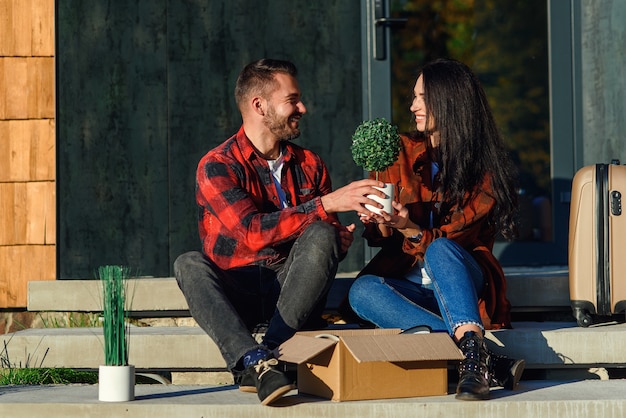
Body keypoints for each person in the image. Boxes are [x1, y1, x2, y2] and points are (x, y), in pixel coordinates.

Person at [174, 58, 385, 406]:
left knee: (322, 234)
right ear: (260, 105)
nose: (302, 108)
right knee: (188, 264)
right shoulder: (218, 165)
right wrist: (326, 206)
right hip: (237, 291)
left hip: (292, 294)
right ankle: (253, 359)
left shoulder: (310, 164)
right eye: (293, 100)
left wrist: (338, 238)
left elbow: (320, 235)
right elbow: (252, 233)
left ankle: (269, 355)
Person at [347, 58, 525, 401]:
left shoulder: (483, 170)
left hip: (461, 278)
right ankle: (481, 358)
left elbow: (449, 241)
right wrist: (380, 221)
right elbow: (379, 241)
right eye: (413, 96)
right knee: (362, 291)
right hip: (412, 284)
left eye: (422, 97)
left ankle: (474, 366)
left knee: (441, 250)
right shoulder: (400, 152)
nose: (413, 106)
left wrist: (409, 227)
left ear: (450, 101)